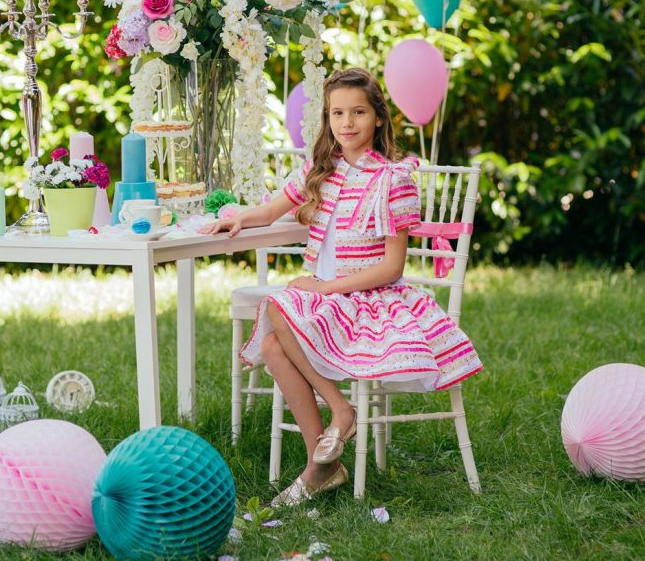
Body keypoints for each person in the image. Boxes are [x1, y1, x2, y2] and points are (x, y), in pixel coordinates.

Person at [201, 68, 483, 506]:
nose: (347, 122)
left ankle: (337, 420)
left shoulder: (392, 179)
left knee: (278, 307)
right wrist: (238, 218)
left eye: (358, 112)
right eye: (337, 113)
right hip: (329, 296)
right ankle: (325, 462)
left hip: (371, 299)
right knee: (274, 343)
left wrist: (327, 288)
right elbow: (271, 210)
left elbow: (391, 267)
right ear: (327, 118)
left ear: (378, 118)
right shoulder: (321, 171)